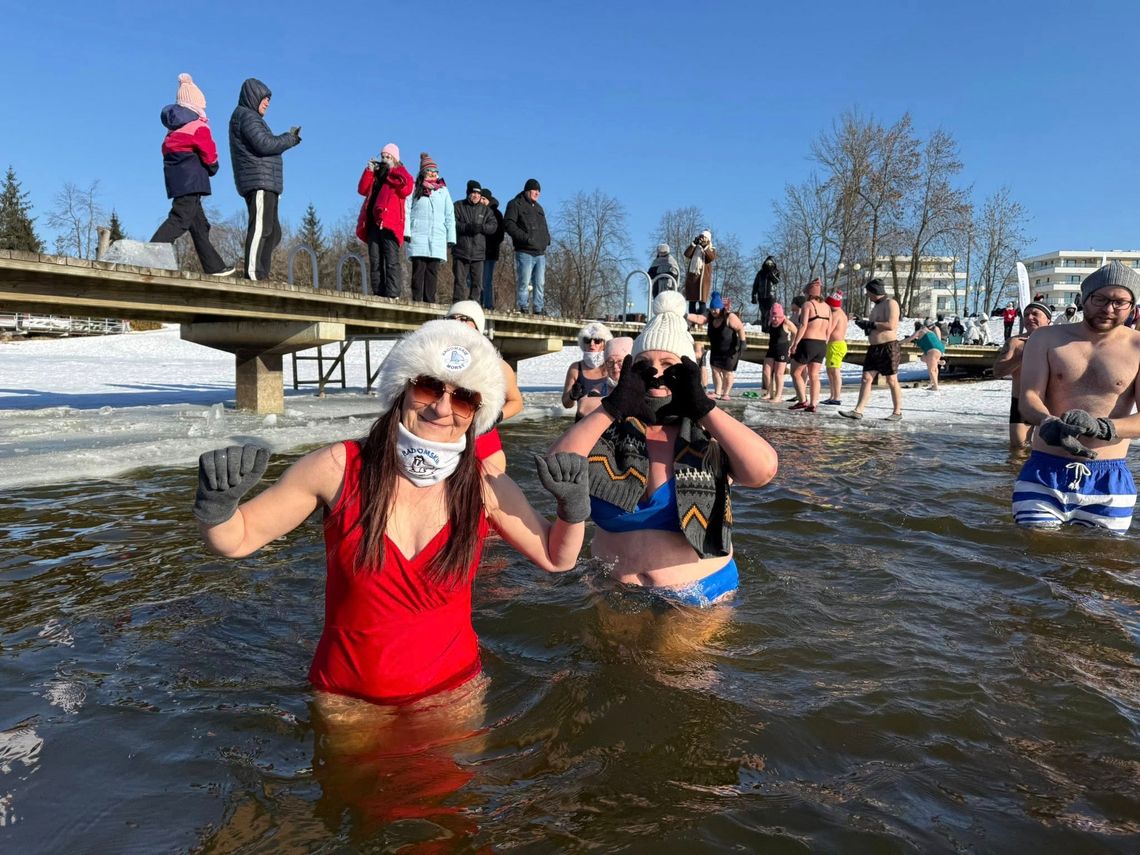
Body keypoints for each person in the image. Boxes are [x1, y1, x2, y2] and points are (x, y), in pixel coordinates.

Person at [193, 320, 587, 719]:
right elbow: (237, 539)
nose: (442, 407)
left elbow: (557, 558)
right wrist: (217, 508)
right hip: (348, 701)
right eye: (428, 386)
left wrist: (572, 509)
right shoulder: (336, 467)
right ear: (402, 388)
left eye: (464, 398)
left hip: (453, 698)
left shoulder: (485, 485)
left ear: (476, 415)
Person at [550, 289, 778, 607]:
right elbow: (558, 468)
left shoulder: (708, 435)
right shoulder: (606, 429)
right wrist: (612, 408)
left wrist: (704, 408)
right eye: (645, 364)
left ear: (688, 372)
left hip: (697, 594)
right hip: (611, 589)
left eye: (668, 363)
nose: (656, 373)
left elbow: (763, 470)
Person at [1013, 261, 1140, 531]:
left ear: (1132, 306)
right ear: (1083, 298)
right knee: (1033, 559)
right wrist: (1047, 422)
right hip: (1044, 470)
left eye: (1120, 302)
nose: (1108, 309)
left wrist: (1103, 427)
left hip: (1108, 476)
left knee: (1100, 567)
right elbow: (1028, 397)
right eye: (1100, 299)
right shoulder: (1046, 339)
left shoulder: (1138, 347)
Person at [150, 74, 235, 277]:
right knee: (180, 218)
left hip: (178, 180)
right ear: (196, 105)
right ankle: (151, 253)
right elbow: (209, 150)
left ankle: (214, 267)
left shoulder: (174, 130)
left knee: (199, 225)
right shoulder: (198, 126)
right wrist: (213, 165)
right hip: (191, 181)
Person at [228, 78, 301, 281]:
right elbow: (265, 144)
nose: (267, 103)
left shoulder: (252, 118)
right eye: (264, 99)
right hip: (258, 180)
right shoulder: (246, 116)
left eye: (268, 99)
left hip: (267, 182)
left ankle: (261, 272)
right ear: (253, 97)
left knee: (274, 232)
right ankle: (253, 273)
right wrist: (289, 138)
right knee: (261, 227)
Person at [444, 300, 524, 472]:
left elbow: (516, 402)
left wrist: (497, 416)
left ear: (478, 327)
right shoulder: (435, 360)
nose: (457, 322)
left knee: (489, 495)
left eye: (464, 318)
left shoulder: (497, 365)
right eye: (452, 318)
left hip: (482, 441)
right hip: (445, 436)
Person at [840, 278, 903, 421]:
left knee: (891, 380)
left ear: (875, 291)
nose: (867, 295)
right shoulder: (875, 307)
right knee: (866, 378)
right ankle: (858, 411)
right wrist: (863, 324)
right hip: (874, 348)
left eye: (868, 292)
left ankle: (897, 412)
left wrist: (870, 324)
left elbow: (891, 325)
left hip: (888, 347)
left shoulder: (891, 303)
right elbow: (874, 327)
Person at [355, 143, 413, 298]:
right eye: (383, 156)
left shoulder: (399, 173)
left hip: (390, 223)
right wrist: (369, 171)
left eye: (388, 157)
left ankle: (393, 293)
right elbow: (362, 189)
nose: (385, 159)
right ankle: (378, 292)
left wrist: (389, 174)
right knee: (375, 260)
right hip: (374, 222)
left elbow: (406, 188)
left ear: (395, 158)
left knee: (391, 259)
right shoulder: (376, 174)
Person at [993, 301, 1051, 450]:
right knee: (1019, 448)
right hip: (1022, 401)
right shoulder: (1015, 342)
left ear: (1048, 319)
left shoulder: (1059, 342)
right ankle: (1015, 473)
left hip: (1052, 402)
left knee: (1047, 450)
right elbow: (998, 371)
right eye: (1026, 315)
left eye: (1035, 314)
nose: (1029, 317)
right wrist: (1023, 355)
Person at [404, 153, 456, 303]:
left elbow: (449, 214)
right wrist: (406, 231)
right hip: (418, 235)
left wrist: (451, 237)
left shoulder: (443, 190)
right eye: (430, 171)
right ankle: (417, 300)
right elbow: (406, 209)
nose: (433, 174)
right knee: (418, 271)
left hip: (437, 238)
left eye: (435, 171)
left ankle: (429, 301)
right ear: (423, 172)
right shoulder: (415, 188)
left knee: (432, 271)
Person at [688, 292, 746, 400]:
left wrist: (743, 342)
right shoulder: (710, 317)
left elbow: (740, 328)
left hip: (730, 350)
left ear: (721, 308)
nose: (714, 311)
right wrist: (685, 314)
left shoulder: (730, 317)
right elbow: (698, 318)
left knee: (727, 372)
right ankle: (717, 392)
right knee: (715, 371)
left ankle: (726, 393)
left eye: (716, 309)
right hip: (716, 349)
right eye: (712, 309)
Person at [505, 178, 551, 314]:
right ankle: (523, 306)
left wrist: (547, 239)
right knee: (524, 281)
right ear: (527, 190)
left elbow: (544, 227)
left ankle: (538, 308)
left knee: (540, 283)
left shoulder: (539, 208)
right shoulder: (515, 204)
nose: (537, 193)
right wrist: (525, 238)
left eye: (538, 191)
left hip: (540, 252)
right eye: (534, 190)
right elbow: (508, 224)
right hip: (524, 251)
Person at [788, 279, 830, 412]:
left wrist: (795, 343)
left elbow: (803, 325)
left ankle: (802, 400)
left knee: (795, 372)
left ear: (808, 293)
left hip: (808, 342)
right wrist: (825, 343)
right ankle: (813, 404)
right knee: (814, 375)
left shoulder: (808, 305)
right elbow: (829, 329)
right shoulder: (827, 307)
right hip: (821, 344)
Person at [451, 180, 496, 303]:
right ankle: (457, 304)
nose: (476, 195)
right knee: (460, 281)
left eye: (478, 193)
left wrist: (481, 228)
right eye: (473, 193)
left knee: (477, 283)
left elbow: (493, 225)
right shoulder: (458, 206)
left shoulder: (485, 210)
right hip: (461, 251)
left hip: (478, 253)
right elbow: (452, 223)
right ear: (468, 193)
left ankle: (473, 305)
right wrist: (467, 227)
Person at [562, 321, 613, 420]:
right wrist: (572, 395)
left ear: (605, 343)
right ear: (583, 343)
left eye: (597, 340)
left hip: (607, 426)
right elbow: (566, 404)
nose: (592, 344)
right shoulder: (575, 368)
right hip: (582, 424)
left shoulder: (612, 366)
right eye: (587, 340)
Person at [578, 336, 633, 418]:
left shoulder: (638, 385)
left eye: (620, 362)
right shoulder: (603, 387)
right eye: (610, 362)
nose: (615, 366)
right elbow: (583, 408)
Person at [761, 302, 796, 402]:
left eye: (776, 317)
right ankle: (769, 392)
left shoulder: (786, 322)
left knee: (778, 374)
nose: (774, 319)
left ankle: (778, 396)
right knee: (766, 372)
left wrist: (792, 345)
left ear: (781, 316)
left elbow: (796, 332)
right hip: (771, 349)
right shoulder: (770, 322)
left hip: (782, 349)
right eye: (772, 316)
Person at [479, 188, 505, 310]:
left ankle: (488, 304)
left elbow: (500, 235)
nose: (482, 201)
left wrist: (490, 244)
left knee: (487, 280)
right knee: (476, 279)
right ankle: (477, 303)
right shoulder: (477, 211)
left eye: (484, 199)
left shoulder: (497, 214)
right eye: (481, 198)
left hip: (490, 252)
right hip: (477, 251)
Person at [905, 318, 947, 391]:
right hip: (939, 349)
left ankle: (935, 386)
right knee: (924, 359)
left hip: (932, 350)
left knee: (931, 370)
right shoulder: (930, 332)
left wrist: (899, 342)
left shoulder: (921, 331)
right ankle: (938, 363)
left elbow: (909, 339)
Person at [823, 291, 848, 405]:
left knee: (835, 370)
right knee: (830, 371)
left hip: (836, 345)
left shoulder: (837, 314)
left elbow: (829, 329)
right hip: (833, 345)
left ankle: (836, 397)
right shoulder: (840, 313)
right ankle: (832, 395)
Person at [683, 231, 716, 314]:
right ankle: (692, 321)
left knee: (702, 301)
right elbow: (687, 254)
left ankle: (701, 322)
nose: (702, 239)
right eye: (701, 237)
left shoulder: (711, 249)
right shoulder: (695, 249)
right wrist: (694, 244)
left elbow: (711, 258)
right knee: (692, 301)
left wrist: (705, 246)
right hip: (693, 277)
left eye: (704, 237)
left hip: (703, 279)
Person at [752, 255, 780, 328]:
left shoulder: (776, 271)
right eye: (768, 263)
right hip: (761, 296)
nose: (769, 264)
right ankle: (764, 328)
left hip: (771, 296)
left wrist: (770, 273)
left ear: (773, 263)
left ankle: (769, 327)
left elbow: (776, 281)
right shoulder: (760, 273)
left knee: (770, 312)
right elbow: (755, 285)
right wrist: (754, 296)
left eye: (771, 263)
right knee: (763, 313)